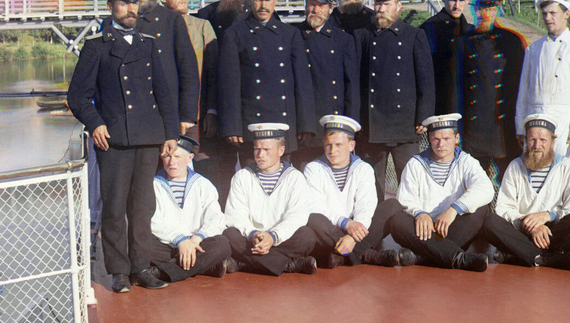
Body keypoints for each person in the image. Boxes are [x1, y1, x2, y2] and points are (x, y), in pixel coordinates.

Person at [67, 0, 179, 293]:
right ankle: (118, 271)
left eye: (134, 3)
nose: (131, 9)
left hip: (148, 136)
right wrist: (95, 123)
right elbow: (77, 96)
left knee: (142, 207)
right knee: (114, 207)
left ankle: (140, 268)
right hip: (113, 139)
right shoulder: (96, 46)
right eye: (124, 3)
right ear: (110, 7)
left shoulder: (148, 43)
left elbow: (164, 93)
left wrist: (170, 133)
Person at [217, 0, 316, 163]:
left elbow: (302, 83)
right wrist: (232, 127)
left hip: (283, 123)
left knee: (284, 177)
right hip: (251, 124)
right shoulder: (235, 34)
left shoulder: (290, 34)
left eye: (268, 0)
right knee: (251, 176)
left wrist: (306, 125)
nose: (263, 5)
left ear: (275, 1)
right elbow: (229, 84)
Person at [354, 0, 435, 201]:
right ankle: (375, 223)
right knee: (372, 187)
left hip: (405, 125)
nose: (381, 9)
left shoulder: (414, 35)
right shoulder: (362, 36)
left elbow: (426, 81)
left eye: (387, 4)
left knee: (410, 186)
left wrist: (424, 116)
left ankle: (411, 221)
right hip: (372, 126)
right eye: (378, 4)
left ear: (398, 6)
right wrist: (357, 119)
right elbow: (355, 81)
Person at [481, 114, 570, 269]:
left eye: (543, 140)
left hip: (553, 233)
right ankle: (547, 258)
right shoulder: (515, 166)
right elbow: (503, 208)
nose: (537, 145)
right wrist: (530, 226)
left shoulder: (567, 167)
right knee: (489, 222)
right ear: (526, 141)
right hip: (521, 230)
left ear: (553, 141)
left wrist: (548, 216)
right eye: (532, 139)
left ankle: (520, 254)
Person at [305, 115, 416, 268]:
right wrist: (345, 223)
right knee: (313, 217)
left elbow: (365, 206)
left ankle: (342, 255)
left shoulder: (363, 168)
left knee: (392, 205)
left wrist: (352, 237)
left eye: (338, 145)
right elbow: (316, 207)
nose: (333, 150)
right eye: (328, 145)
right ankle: (368, 255)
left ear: (351, 145)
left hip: (357, 230)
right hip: (330, 230)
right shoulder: (313, 168)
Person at [389, 114, 495, 272]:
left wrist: (454, 209)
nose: (441, 144)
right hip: (424, 232)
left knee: (481, 209)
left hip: (452, 228)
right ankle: (458, 258)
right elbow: (405, 198)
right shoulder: (415, 163)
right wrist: (419, 213)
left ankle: (422, 257)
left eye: (446, 138)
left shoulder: (467, 161)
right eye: (435, 139)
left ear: (456, 138)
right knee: (397, 221)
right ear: (429, 139)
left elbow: (485, 188)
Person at [157, 0, 228, 202]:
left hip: (198, 118)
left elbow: (214, 74)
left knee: (205, 170)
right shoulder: (156, 28)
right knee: (166, 172)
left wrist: (212, 111)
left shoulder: (202, 27)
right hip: (165, 118)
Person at [223, 123, 317, 276]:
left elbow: (297, 216)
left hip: (281, 238)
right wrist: (253, 234)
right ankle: (288, 264)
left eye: (266, 149)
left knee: (307, 236)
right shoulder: (242, 176)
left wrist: (273, 236)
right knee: (230, 234)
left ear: (281, 150)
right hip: (251, 238)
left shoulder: (295, 177)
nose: (260, 154)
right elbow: (235, 215)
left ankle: (245, 263)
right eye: (257, 149)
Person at [121, 0, 200, 135]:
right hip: (128, 116)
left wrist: (187, 115)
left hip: (166, 113)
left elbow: (188, 71)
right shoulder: (116, 23)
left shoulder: (171, 21)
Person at [515, 0, 570, 158]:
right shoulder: (533, 49)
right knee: (533, 166)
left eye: (553, 13)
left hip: (562, 124)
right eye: (544, 14)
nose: (548, 18)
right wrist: (520, 127)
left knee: (562, 168)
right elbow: (523, 91)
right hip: (534, 120)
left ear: (566, 14)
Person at [460, 0, 526, 183]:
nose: (485, 14)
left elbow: (522, 85)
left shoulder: (512, 41)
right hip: (474, 127)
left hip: (503, 126)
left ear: (497, 10)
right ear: (474, 10)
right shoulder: (464, 42)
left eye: (490, 8)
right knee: (475, 182)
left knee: (509, 181)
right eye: (480, 8)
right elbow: (458, 86)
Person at [148, 135, 233, 283]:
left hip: (197, 243)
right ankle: (205, 267)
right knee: (141, 245)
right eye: (167, 156)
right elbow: (153, 221)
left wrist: (195, 240)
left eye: (177, 157)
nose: (172, 162)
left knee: (222, 244)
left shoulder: (203, 184)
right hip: (168, 243)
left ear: (189, 158)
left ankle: (161, 273)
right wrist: (180, 241)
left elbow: (216, 218)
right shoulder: (153, 184)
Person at [293, 0, 359, 169]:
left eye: (321, 6)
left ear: (330, 8)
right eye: (311, 4)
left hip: (334, 123)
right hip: (304, 126)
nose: (315, 10)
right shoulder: (294, 35)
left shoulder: (343, 39)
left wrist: (351, 126)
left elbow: (351, 85)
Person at [419, 0, 474, 117]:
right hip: (441, 103)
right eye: (453, 0)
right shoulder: (428, 28)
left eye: (462, 1)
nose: (457, 6)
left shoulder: (471, 31)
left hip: (467, 104)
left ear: (467, 1)